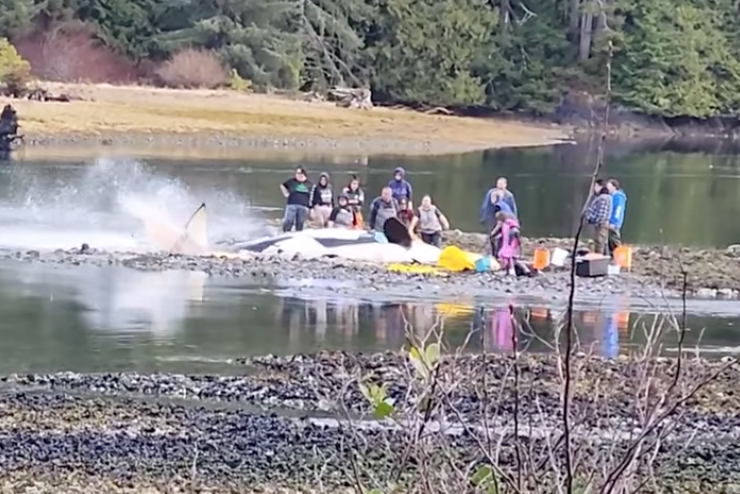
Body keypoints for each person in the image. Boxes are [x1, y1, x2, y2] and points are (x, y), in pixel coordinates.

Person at [584, 179, 613, 255]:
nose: (594, 188)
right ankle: (604, 258)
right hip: (600, 224)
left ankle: (599, 260)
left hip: (601, 225)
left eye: (596, 186)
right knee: (602, 242)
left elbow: (601, 214)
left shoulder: (603, 198)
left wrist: (591, 219)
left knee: (599, 243)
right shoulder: (605, 197)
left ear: (600, 187)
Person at [279, 166, 312, 232]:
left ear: (304, 174)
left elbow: (312, 196)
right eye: (297, 173)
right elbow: (282, 186)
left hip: (303, 206)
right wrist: (286, 193)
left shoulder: (309, 184)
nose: (298, 175)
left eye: (299, 173)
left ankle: (298, 234)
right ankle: (285, 233)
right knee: (289, 220)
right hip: (292, 204)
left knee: (300, 222)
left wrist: (310, 207)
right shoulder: (291, 182)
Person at [606, 178, 627, 256]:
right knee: (610, 239)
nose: (607, 188)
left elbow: (618, 210)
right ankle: (613, 254)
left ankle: (621, 255)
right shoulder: (612, 196)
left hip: (614, 222)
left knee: (615, 239)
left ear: (614, 187)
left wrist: (614, 222)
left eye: (609, 186)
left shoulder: (618, 197)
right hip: (610, 221)